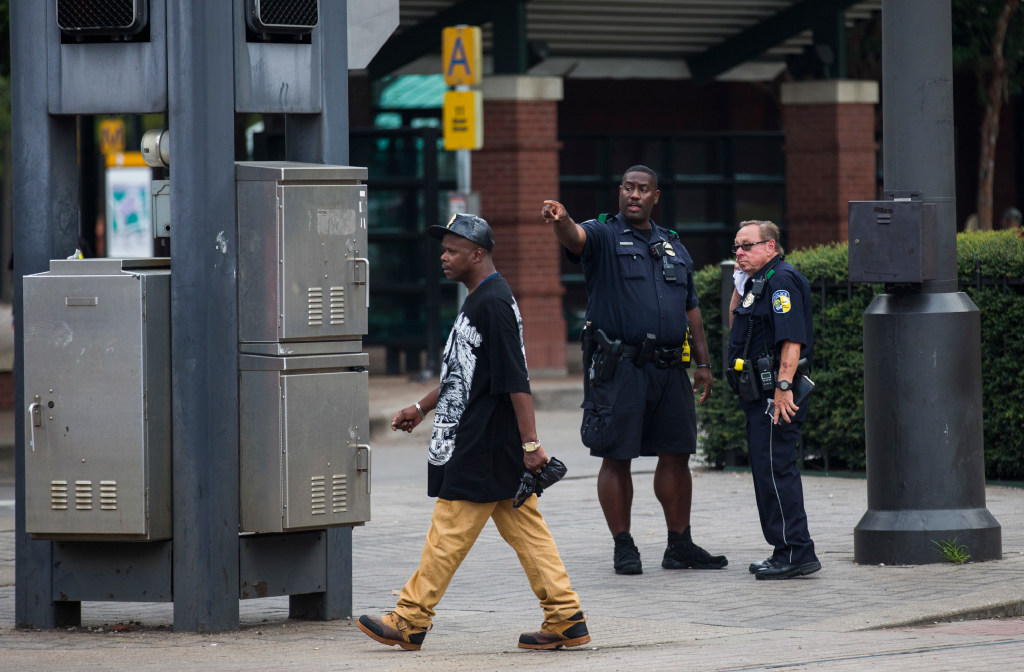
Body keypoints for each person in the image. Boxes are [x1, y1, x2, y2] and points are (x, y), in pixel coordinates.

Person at [357, 214, 590, 652]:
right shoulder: (479, 299)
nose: (443, 258)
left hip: (483, 441)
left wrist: (532, 445)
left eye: (452, 251)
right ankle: (565, 617)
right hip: (488, 440)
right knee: (527, 529)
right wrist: (421, 407)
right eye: (443, 250)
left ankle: (409, 618)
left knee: (449, 529)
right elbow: (464, 372)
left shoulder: (494, 303)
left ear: (477, 254)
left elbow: (516, 379)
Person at [541, 166, 727, 575]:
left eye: (643, 189)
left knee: (677, 454)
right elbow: (576, 238)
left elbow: (691, 308)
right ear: (620, 192)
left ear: (655, 197)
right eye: (628, 188)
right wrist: (563, 220)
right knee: (617, 455)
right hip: (620, 367)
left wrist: (704, 362)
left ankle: (679, 545)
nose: (635, 195)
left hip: (669, 368)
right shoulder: (605, 233)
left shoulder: (673, 245)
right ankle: (623, 545)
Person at [727, 220, 820, 580]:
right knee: (767, 471)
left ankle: (796, 552)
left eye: (747, 245)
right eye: (736, 246)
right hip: (760, 394)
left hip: (775, 395)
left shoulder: (780, 281)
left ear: (771, 246)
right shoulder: (757, 282)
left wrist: (783, 387)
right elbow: (738, 322)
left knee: (776, 471)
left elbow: (791, 339)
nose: (739, 252)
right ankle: (785, 549)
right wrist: (738, 286)